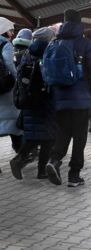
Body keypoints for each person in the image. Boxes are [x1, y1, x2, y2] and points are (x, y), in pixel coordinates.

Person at [45, 9, 91, 187]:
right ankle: (74, 175)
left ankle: (53, 160)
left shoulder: (55, 42)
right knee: (79, 137)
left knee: (63, 132)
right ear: (80, 23)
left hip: (60, 97)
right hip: (81, 98)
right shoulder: (85, 44)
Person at [10, 27, 56, 180]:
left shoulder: (28, 52)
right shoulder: (47, 52)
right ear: (48, 38)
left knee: (36, 135)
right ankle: (35, 168)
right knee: (47, 137)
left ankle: (30, 165)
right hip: (44, 100)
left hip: (29, 100)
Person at [0, 17, 23, 153]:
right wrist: (16, 77)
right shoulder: (6, 45)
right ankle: (20, 152)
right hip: (4, 87)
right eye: (10, 30)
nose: (12, 33)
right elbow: (9, 63)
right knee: (14, 121)